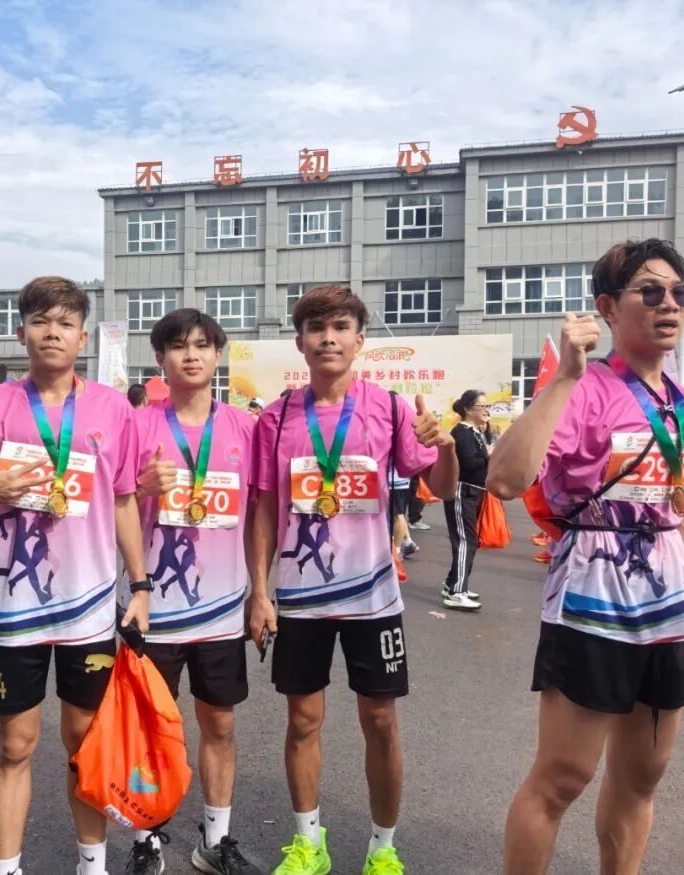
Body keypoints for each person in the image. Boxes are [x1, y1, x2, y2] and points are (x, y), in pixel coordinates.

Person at [486, 238, 684, 875]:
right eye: (650, 291)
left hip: (667, 614)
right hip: (592, 604)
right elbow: (505, 480)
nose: (669, 304)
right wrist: (565, 376)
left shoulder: (682, 404)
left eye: (680, 292)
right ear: (606, 307)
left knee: (642, 780)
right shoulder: (584, 390)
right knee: (561, 779)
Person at [0, 275, 150, 875]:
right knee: (15, 745)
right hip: (15, 610)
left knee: (84, 741)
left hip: (89, 607)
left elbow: (124, 501)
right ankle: (6, 868)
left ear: (83, 337)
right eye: (40, 321)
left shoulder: (113, 408)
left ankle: (92, 864)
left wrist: (140, 587)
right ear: (21, 333)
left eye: (65, 323)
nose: (52, 332)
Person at [247, 284, 458, 875]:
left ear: (360, 340)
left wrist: (445, 446)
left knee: (381, 723)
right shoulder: (276, 418)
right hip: (300, 599)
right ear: (300, 343)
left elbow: (442, 487)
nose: (329, 338)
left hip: (374, 599)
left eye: (340, 327)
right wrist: (259, 591)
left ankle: (382, 849)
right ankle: (308, 845)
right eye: (316, 328)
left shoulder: (389, 407)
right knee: (302, 721)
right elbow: (265, 510)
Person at [128, 308, 261, 875]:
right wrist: (140, 488)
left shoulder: (246, 428)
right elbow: (108, 508)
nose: (191, 355)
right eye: (179, 346)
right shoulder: (136, 425)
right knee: (150, 729)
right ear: (160, 358)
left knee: (220, 725)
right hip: (152, 609)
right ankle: (146, 839)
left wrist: (262, 593)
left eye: (203, 345)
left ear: (217, 355)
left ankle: (216, 839)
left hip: (222, 610)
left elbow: (261, 513)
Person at [441, 389, 491, 612]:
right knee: (465, 541)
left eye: (487, 406)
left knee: (469, 540)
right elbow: (470, 464)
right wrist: (489, 455)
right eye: (483, 406)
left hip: (474, 491)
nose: (486, 410)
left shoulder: (475, 431)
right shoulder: (461, 433)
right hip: (462, 491)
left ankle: (452, 583)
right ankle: (457, 592)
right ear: (469, 409)